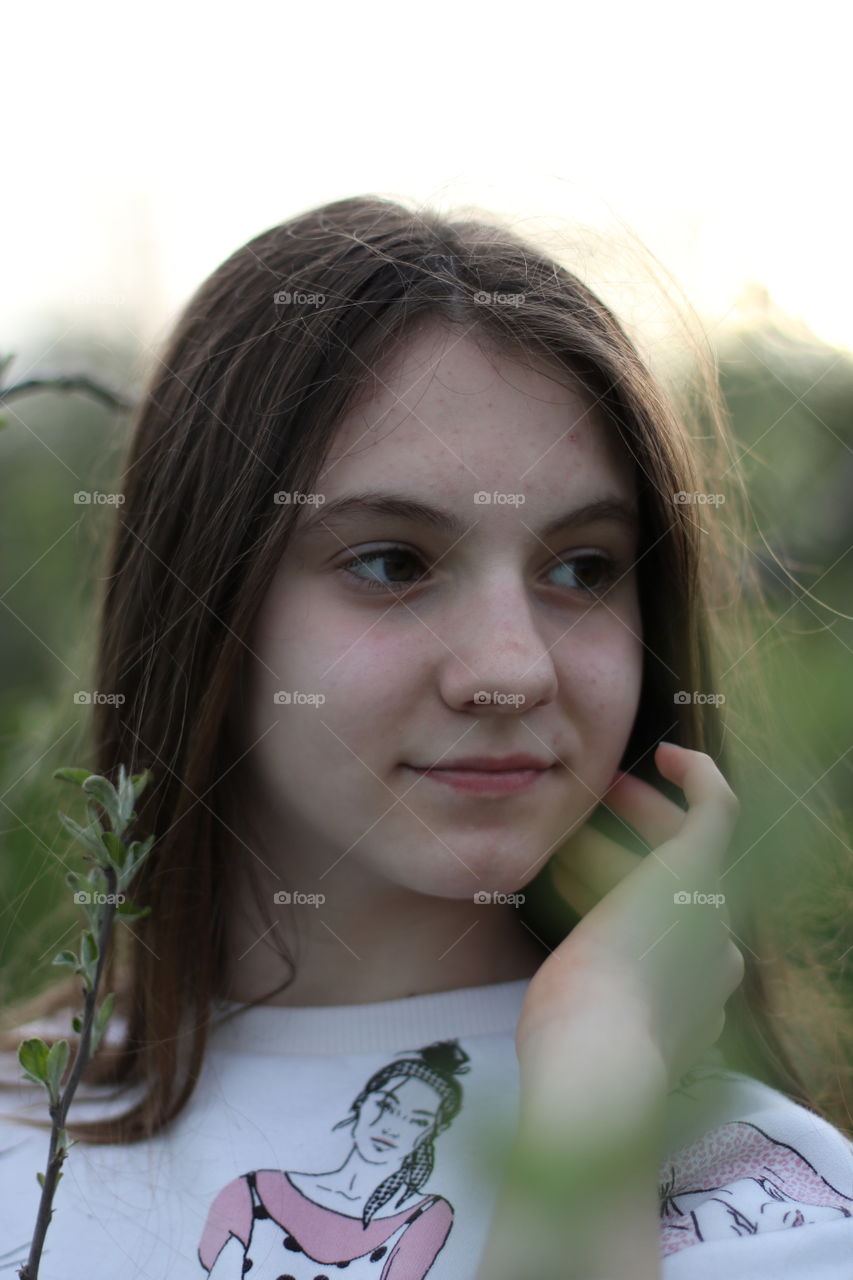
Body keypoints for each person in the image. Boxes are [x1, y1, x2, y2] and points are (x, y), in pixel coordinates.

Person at [1, 194, 851, 1279]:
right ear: (204, 603)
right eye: (394, 561)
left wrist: (591, 1085)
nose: (511, 667)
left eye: (583, 567)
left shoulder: (773, 1199)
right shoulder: (31, 1144)